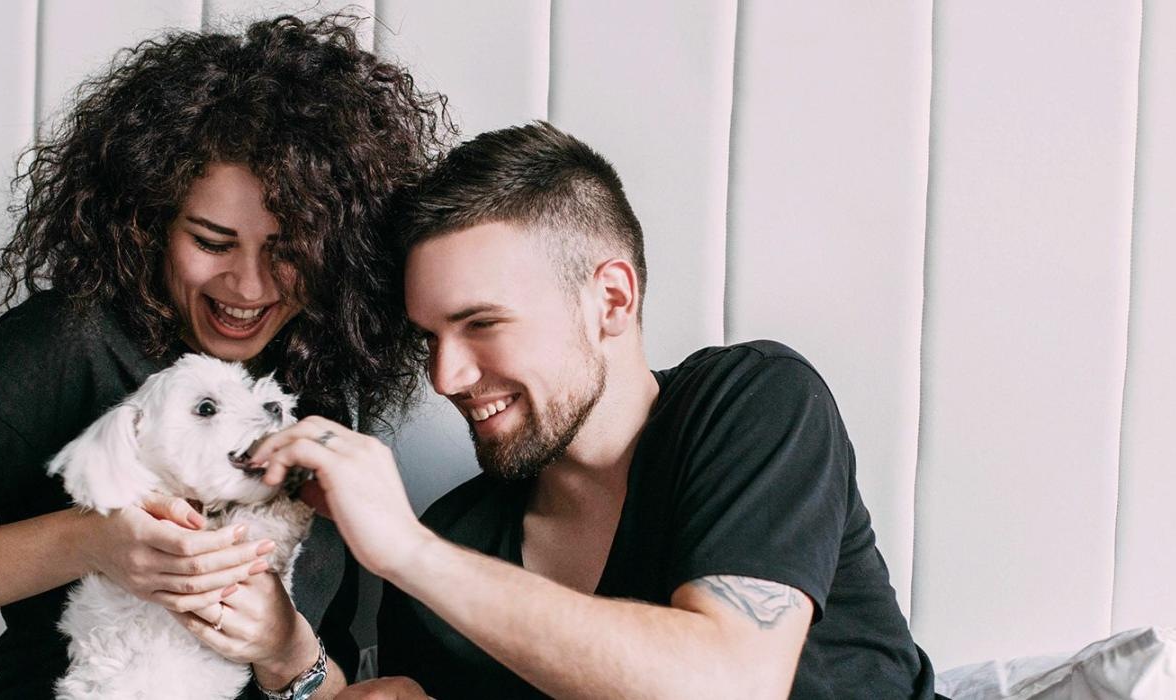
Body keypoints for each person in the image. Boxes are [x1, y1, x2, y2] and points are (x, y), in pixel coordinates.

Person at [0, 15, 449, 699]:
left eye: (289, 250)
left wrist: (294, 653)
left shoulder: (316, 377)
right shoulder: (70, 342)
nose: (249, 287)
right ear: (149, 219)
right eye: (212, 241)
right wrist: (89, 542)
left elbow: (324, 669)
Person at [246, 121, 939, 699]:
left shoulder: (753, 402)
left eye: (482, 323)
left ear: (611, 299)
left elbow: (730, 683)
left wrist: (406, 551)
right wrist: (289, 656)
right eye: (430, 337)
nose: (444, 375)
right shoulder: (454, 543)